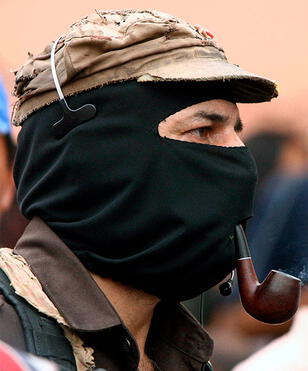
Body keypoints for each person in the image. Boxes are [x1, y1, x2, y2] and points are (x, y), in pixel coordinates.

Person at [0, 9, 278, 371]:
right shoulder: (9, 336)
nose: (242, 161)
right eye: (203, 131)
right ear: (99, 156)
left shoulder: (181, 352)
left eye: (236, 132)